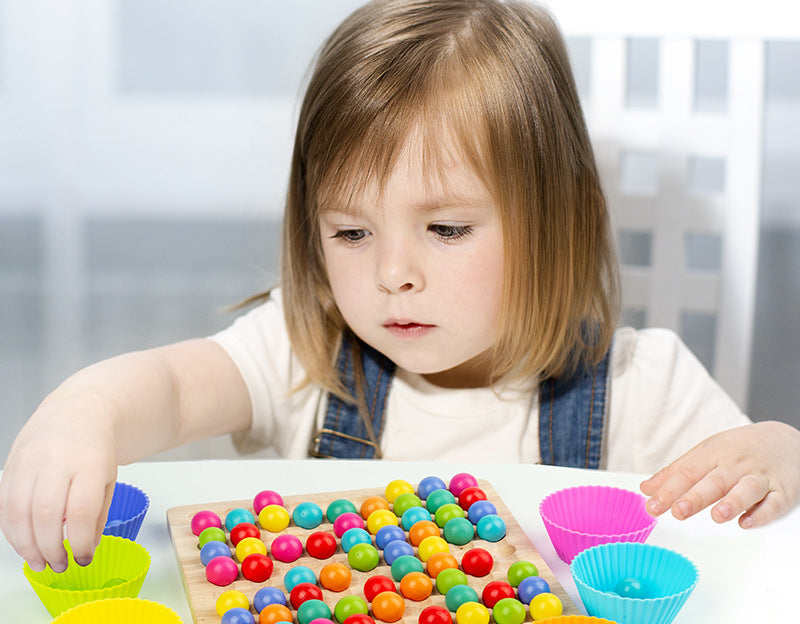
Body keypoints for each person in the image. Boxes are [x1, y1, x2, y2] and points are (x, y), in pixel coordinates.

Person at [1, 0, 799, 573]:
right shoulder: (302, 351)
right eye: (351, 233)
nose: (392, 275)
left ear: (561, 218)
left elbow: (757, 539)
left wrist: (780, 456)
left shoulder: (643, 387)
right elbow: (171, 389)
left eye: (446, 230)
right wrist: (85, 410)